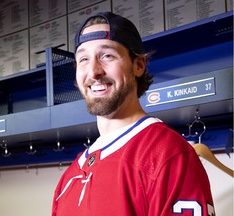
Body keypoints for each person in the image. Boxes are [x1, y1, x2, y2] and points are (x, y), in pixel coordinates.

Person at [52, 11, 215, 216]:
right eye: (83, 59)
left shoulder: (169, 156)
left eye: (107, 55)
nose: (93, 71)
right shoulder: (69, 177)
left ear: (138, 65)